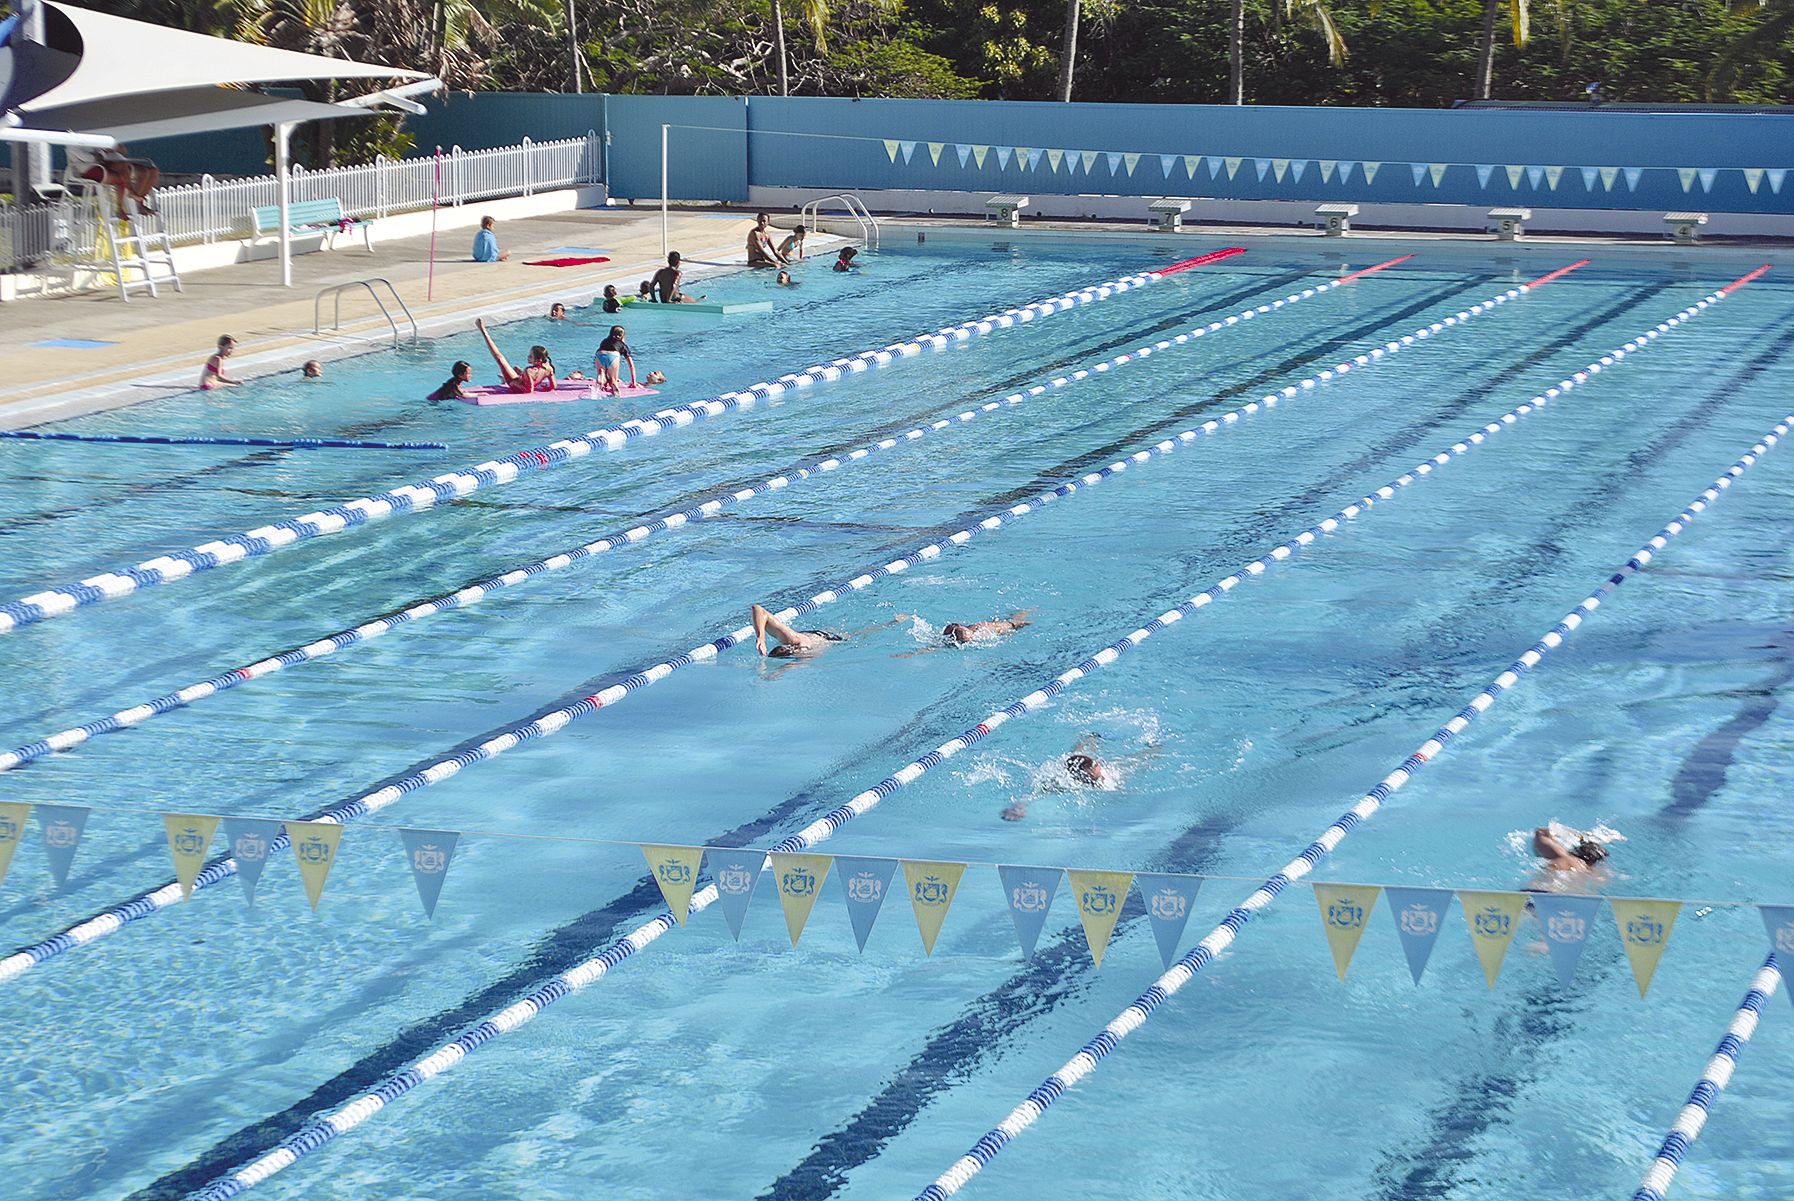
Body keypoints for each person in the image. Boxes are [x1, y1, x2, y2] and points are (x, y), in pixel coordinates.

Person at [69, 144, 159, 215]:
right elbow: (89, 157)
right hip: (90, 168)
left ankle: (139, 203)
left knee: (151, 171)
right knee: (122, 171)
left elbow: (122, 150)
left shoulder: (94, 133)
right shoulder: (72, 142)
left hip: (107, 161)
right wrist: (102, 154)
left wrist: (113, 148)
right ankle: (124, 203)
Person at [475, 318, 554, 393]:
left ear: (538, 360)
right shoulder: (549, 368)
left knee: (499, 357)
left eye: (530, 356)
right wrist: (547, 388)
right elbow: (553, 386)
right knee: (516, 369)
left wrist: (513, 384)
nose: (528, 357)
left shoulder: (529, 371)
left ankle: (483, 331)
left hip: (517, 388)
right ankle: (505, 379)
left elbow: (529, 390)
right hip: (521, 381)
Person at [1533, 826, 1610, 875]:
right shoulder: (1588, 870)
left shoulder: (1561, 854)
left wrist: (1579, 836)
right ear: (1592, 862)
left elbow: (1541, 832)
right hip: (1565, 897)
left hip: (1531, 892)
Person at [595, 325, 638, 394]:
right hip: (613, 356)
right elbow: (631, 365)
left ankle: (602, 376)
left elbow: (599, 351)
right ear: (622, 335)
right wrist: (633, 382)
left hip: (600, 355)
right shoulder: (623, 345)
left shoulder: (604, 341)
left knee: (602, 370)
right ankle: (613, 385)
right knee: (614, 380)